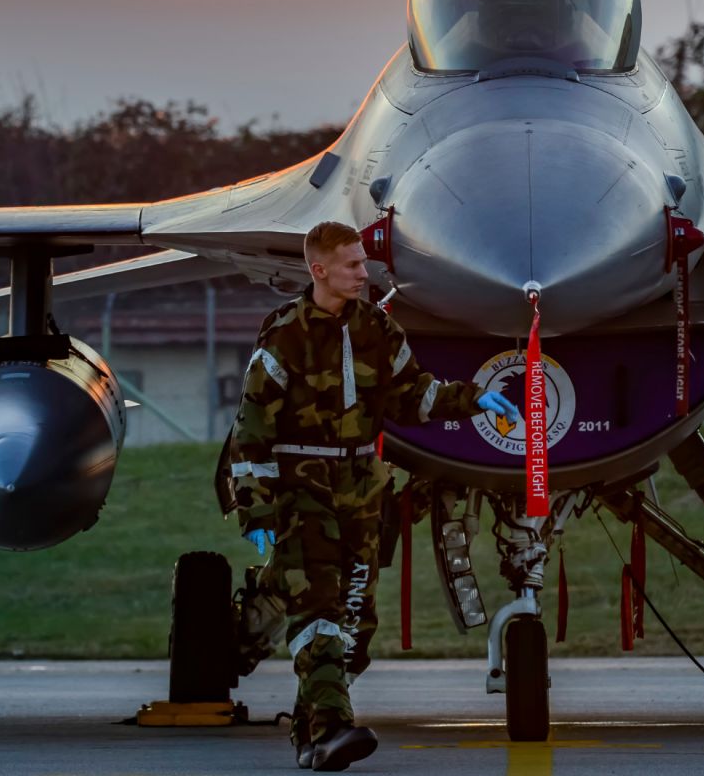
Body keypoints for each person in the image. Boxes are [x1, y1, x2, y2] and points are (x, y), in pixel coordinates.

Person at [223, 220, 520, 771]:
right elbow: (251, 428)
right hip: (300, 489)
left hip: (361, 489)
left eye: (364, 262)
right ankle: (334, 728)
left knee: (356, 625)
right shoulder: (284, 335)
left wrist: (474, 400)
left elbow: (414, 395)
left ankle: (310, 738)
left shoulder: (378, 329)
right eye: (353, 265)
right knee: (319, 610)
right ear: (320, 270)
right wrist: (257, 504)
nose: (365, 272)